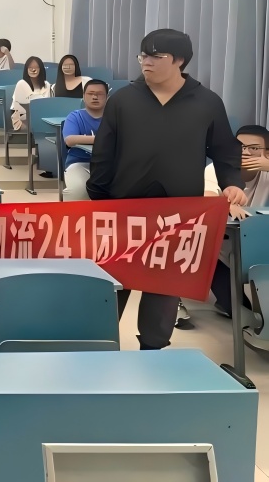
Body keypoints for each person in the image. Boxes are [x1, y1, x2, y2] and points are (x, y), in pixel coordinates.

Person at [88, 29, 245, 350]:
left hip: (178, 215)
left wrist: (231, 184)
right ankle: (97, 347)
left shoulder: (207, 102)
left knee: (163, 288)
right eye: (142, 55)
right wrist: (100, 199)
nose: (145, 62)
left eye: (155, 56)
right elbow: (103, 154)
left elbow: (225, 151)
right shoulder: (124, 100)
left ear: (179, 61)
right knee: (112, 285)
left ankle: (154, 351)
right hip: (124, 210)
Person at [203, 125, 269, 315]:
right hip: (218, 253)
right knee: (237, 310)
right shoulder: (217, 170)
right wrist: (224, 205)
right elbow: (206, 196)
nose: (245, 152)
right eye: (240, 146)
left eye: (254, 148)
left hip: (256, 252)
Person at [61, 80, 108, 201]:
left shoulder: (114, 117)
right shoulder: (75, 116)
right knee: (78, 190)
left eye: (100, 94)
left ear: (107, 97)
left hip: (109, 165)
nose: (95, 97)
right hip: (80, 163)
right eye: (90, 93)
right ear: (83, 96)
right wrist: (102, 139)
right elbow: (70, 140)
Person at [10, 57, 52, 130]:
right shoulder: (21, 83)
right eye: (30, 67)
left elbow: (48, 103)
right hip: (23, 119)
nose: (33, 70)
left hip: (42, 117)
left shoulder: (47, 84)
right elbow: (21, 108)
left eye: (36, 67)